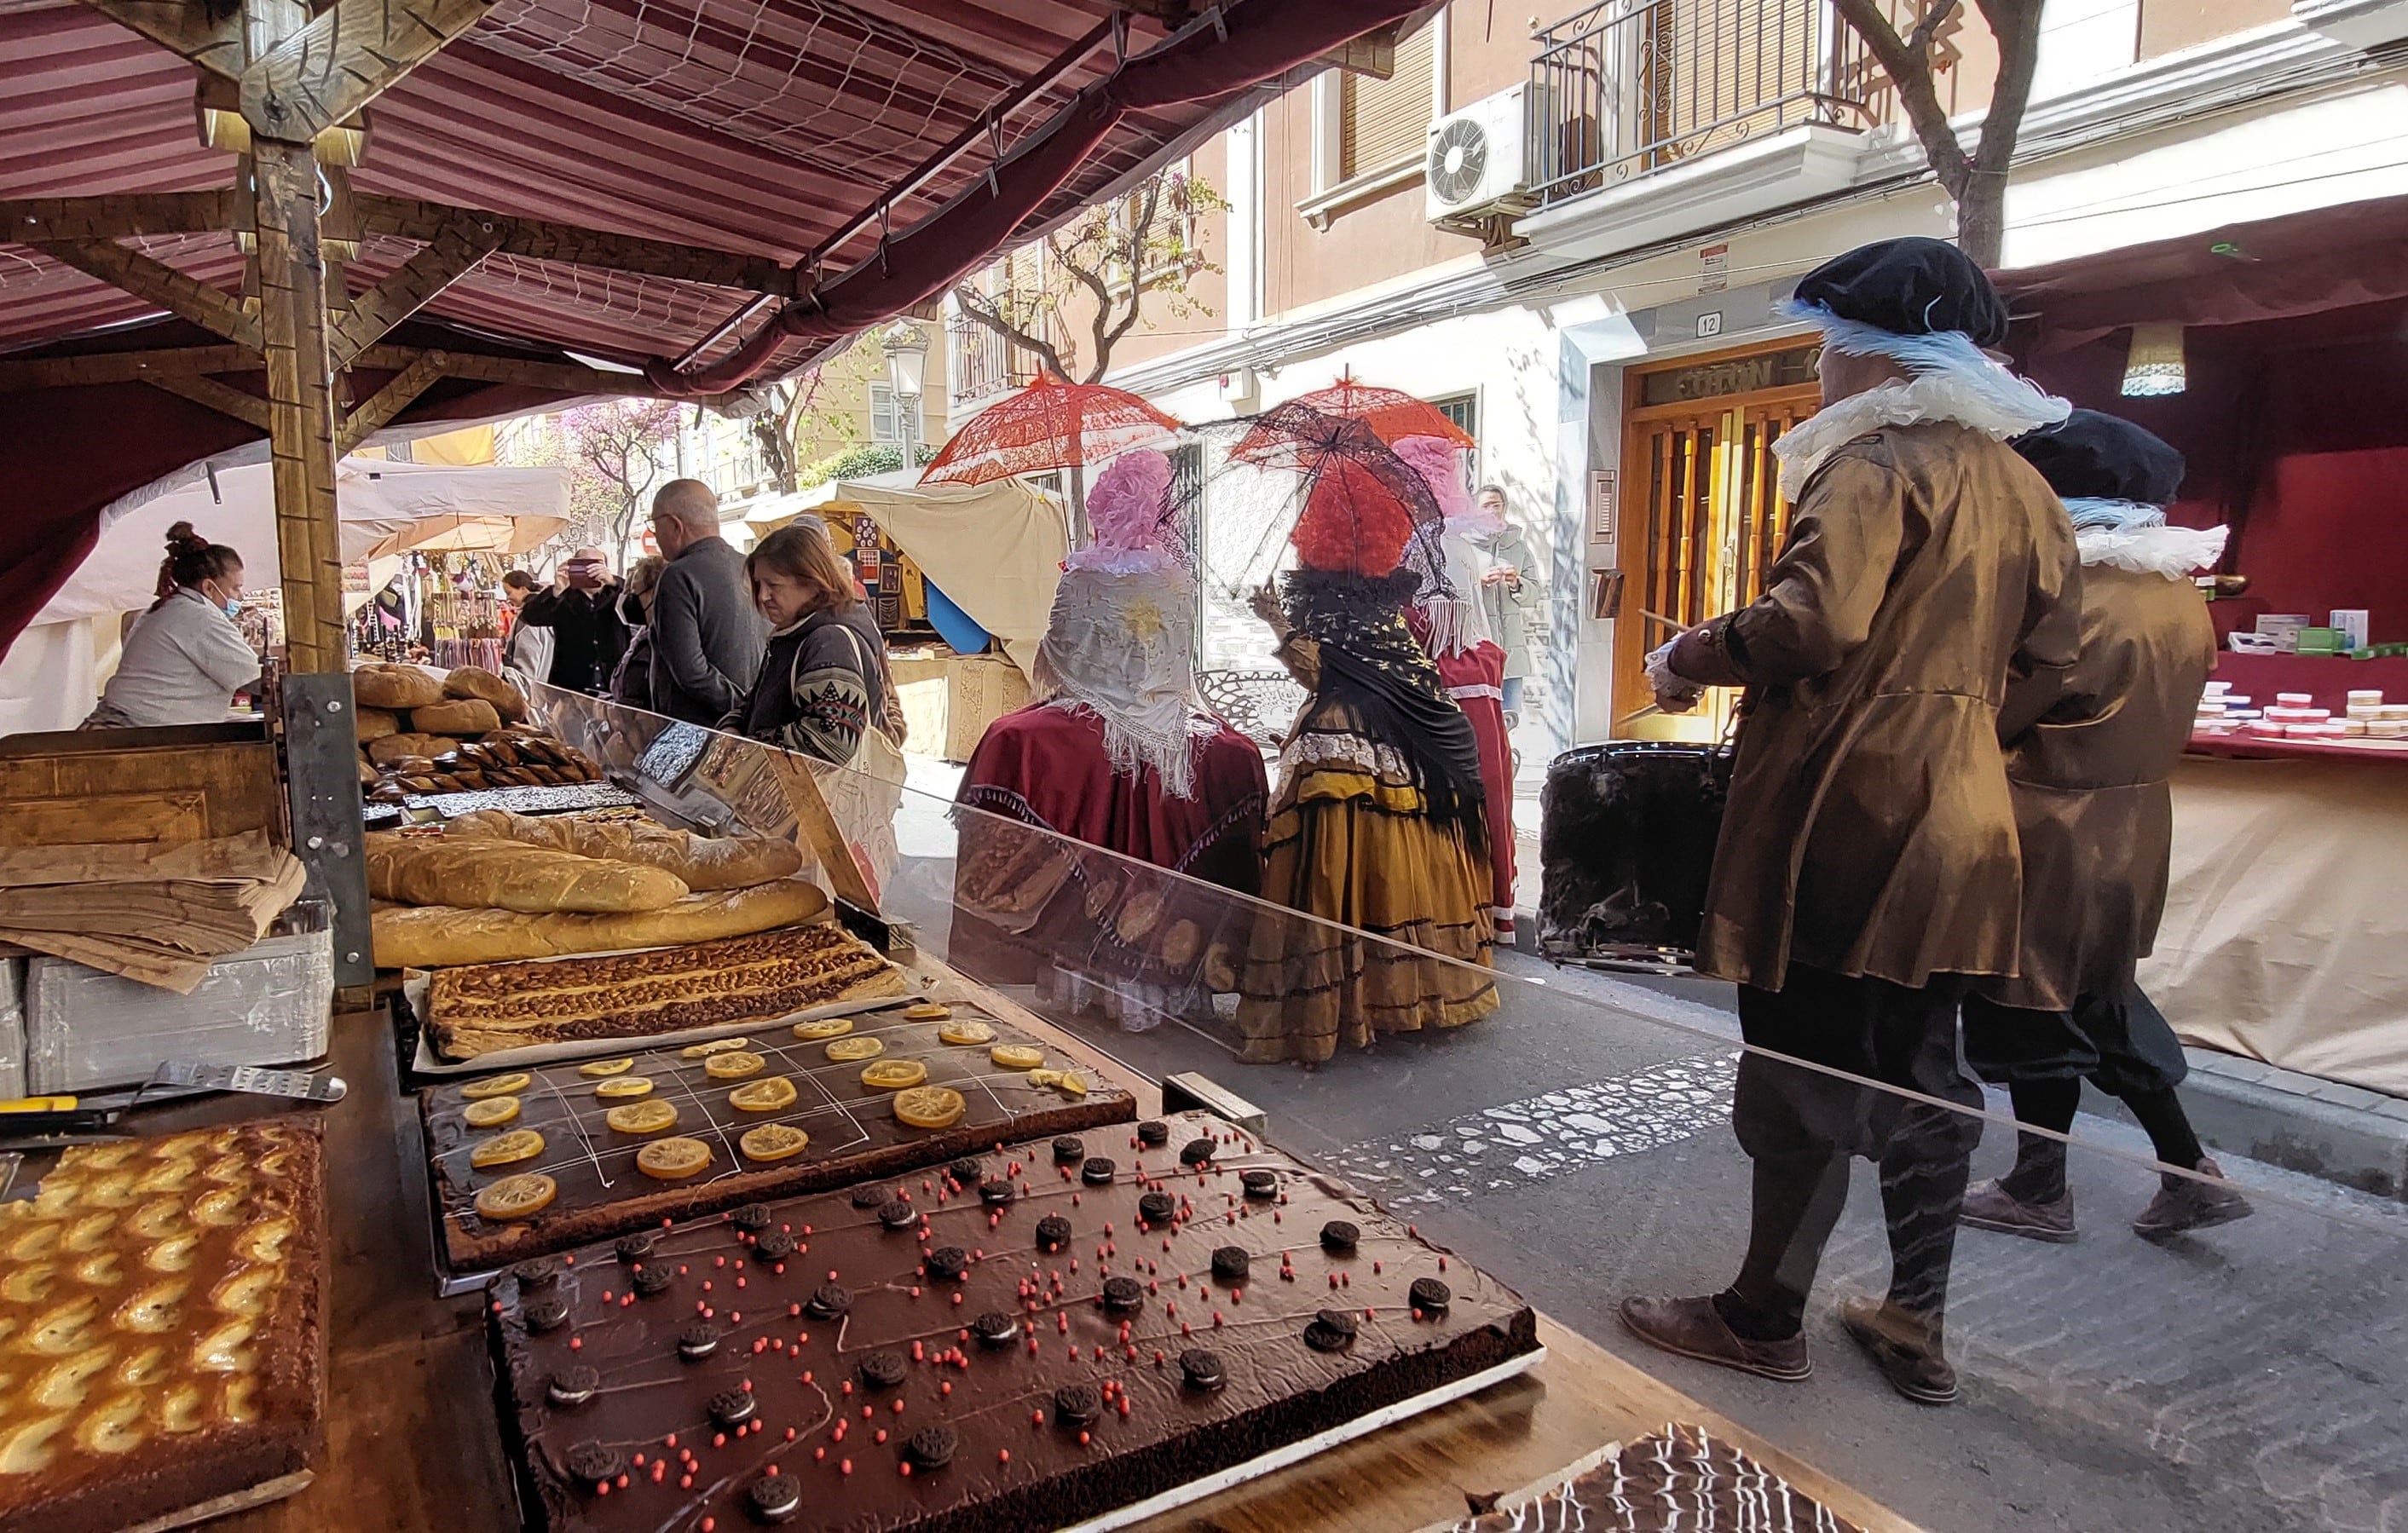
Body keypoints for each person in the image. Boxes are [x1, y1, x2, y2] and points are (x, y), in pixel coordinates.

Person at [1618, 237, 2081, 1407]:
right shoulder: (2025, 486)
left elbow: (1813, 623)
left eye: (1824, 346)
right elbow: (2051, 663)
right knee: (1927, 1076)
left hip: (1846, 811)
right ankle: (1915, 1323)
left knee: (1796, 1070)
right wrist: (1952, 726)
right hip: (1963, 812)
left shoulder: (1874, 463)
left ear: (1874, 359)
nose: (1817, 368)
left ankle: (1760, 1315)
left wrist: (1685, 652)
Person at [1960, 410, 2253, 1242]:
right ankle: (2187, 1168)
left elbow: (1992, 715)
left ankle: (2035, 1186)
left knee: (2029, 1004)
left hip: (2041, 821)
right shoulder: (2173, 594)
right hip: (2130, 823)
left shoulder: (2062, 597)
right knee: (2104, 996)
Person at [954, 452, 1270, 1001]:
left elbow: (1065, 646)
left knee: (1016, 741)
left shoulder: (1090, 574)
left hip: (1122, 708)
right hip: (1159, 712)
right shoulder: (1168, 578)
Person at [1237, 453, 1499, 1064]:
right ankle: (1417, 992)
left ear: (1316, 533)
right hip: (1411, 747)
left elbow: (1317, 671)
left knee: (1334, 877)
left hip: (1338, 741)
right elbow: (1403, 673)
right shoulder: (1383, 604)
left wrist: (1275, 619)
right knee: (1407, 868)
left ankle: (1344, 1004)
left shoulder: (1320, 601)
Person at [1397, 436, 1518, 940]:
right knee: (1482, 790)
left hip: (1440, 687)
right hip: (1473, 685)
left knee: (1439, 797)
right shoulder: (1458, 543)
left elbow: (1431, 624)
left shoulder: (1426, 545)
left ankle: (1445, 906)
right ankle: (1483, 903)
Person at [731, 518, 890, 766]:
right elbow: (757, 702)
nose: (763, 596)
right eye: (758, 584)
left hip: (824, 802)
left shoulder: (829, 641)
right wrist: (732, 728)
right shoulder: (794, 635)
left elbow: (832, 741)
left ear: (813, 584)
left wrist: (749, 746)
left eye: (774, 585)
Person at [83, 522, 263, 729]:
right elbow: (254, 680)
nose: (240, 596)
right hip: (140, 729)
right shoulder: (199, 618)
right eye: (235, 588)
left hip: (122, 720)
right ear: (209, 588)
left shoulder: (168, 608)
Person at [649, 479, 767, 724]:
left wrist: (741, 706)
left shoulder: (678, 576)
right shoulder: (751, 566)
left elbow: (691, 672)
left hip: (698, 731)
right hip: (748, 729)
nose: (654, 535)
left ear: (674, 525)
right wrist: (753, 708)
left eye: (654, 524)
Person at [1470, 484, 1540, 729]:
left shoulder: (1518, 547)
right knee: (1481, 722)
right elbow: (1451, 592)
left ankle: (1508, 765)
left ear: (1505, 508)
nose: (1492, 511)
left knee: (1509, 721)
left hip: (1511, 653)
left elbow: (1534, 595)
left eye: (1496, 505)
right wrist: (1477, 581)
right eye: (1486, 506)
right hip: (1478, 651)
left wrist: (1516, 582)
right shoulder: (1464, 546)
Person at [544, 547, 630, 694]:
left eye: (596, 564)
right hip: (571, 689)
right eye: (583, 565)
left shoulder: (617, 592)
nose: (590, 571)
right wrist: (556, 592)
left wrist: (614, 582)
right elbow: (532, 617)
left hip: (614, 685)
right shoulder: (563, 595)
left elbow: (639, 610)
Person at [610, 554, 665, 708]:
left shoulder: (666, 642)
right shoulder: (640, 636)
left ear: (654, 592)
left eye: (633, 591)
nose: (627, 598)